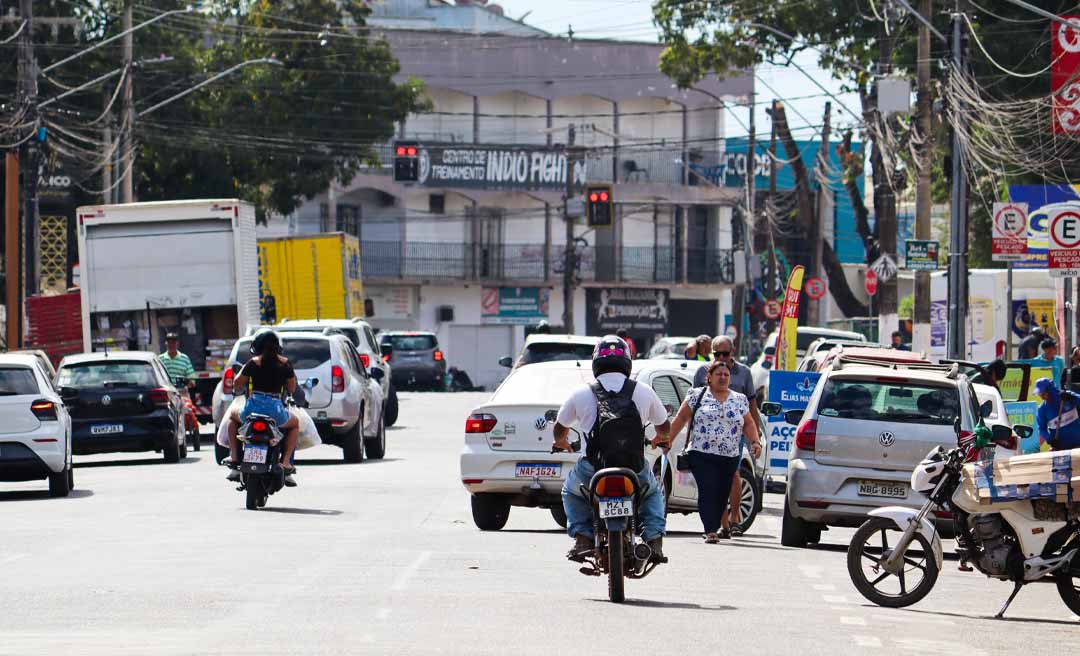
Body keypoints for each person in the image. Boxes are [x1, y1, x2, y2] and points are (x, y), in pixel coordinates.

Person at [553, 335, 672, 560]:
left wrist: (561, 442)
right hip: (634, 468)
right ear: (627, 361)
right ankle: (654, 541)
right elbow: (665, 427)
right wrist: (659, 438)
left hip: (594, 469)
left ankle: (583, 538)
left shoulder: (581, 393)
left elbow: (560, 428)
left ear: (596, 361)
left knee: (571, 492)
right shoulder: (644, 391)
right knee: (653, 493)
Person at [669, 360, 763, 542]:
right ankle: (710, 530)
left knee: (722, 491)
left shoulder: (739, 399)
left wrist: (755, 442)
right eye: (718, 374)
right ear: (709, 378)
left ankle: (718, 524)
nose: (723, 378)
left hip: (729, 455)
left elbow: (749, 423)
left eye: (726, 375)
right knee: (707, 489)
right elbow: (680, 419)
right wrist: (668, 440)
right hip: (701, 453)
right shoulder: (696, 395)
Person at [695, 336, 762, 535]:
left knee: (733, 474)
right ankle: (722, 522)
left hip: (735, 433)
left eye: (725, 353)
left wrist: (755, 437)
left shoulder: (744, 373)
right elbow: (692, 403)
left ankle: (734, 519)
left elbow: (751, 406)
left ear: (733, 352)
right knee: (715, 479)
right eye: (717, 354)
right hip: (708, 436)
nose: (721, 357)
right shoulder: (702, 372)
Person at [225, 330, 301, 486]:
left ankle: (234, 456)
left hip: (252, 409)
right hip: (276, 412)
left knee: (232, 417)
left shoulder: (254, 362)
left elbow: (237, 383)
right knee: (295, 424)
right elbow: (292, 389)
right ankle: (286, 462)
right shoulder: (285, 363)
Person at [1034, 377, 1080, 451]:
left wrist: (1073, 397)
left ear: (1050, 390)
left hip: (1078, 444)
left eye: (1043, 393)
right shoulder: (1042, 410)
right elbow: (1041, 429)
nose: (1041, 397)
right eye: (1039, 394)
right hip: (1060, 448)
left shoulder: (1067, 396)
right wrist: (1050, 440)